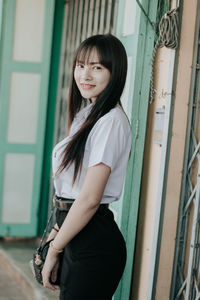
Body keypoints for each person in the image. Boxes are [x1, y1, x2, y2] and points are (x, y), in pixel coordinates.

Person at [42, 34, 132, 300]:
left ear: (115, 73)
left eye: (97, 67)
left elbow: (90, 198)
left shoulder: (111, 121)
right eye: (81, 65)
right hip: (75, 230)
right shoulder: (88, 115)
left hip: (93, 240)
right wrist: (55, 240)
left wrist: (56, 249)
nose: (85, 75)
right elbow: (72, 191)